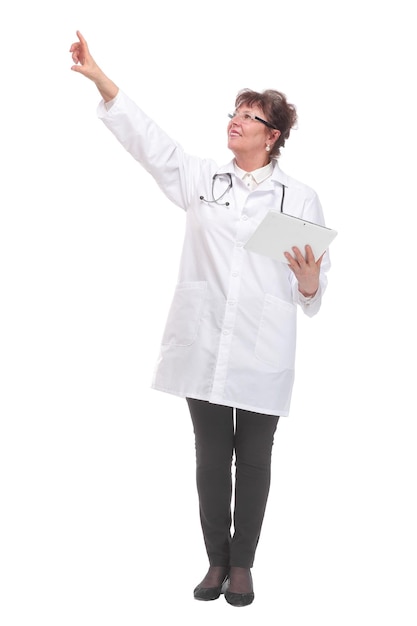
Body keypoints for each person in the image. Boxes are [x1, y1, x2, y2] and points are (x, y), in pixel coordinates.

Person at [70, 31, 331, 607]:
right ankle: (216, 562)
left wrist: (310, 282)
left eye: (250, 116)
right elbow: (151, 144)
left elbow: (312, 285)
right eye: (234, 113)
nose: (236, 122)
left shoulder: (298, 199)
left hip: (263, 350)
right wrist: (100, 77)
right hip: (205, 340)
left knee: (254, 459)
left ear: (274, 135)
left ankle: (244, 565)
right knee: (212, 458)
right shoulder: (203, 182)